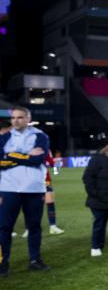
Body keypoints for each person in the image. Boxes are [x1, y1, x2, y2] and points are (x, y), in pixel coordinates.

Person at [0, 106, 52, 276]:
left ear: (28, 119)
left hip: (34, 188)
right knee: (4, 227)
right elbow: (1, 159)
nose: (16, 120)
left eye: (20, 117)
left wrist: (11, 156)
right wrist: (25, 156)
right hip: (8, 188)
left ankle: (35, 260)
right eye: (13, 117)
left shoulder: (40, 136)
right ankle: (2, 263)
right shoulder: (4, 136)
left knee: (34, 226)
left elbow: (38, 159)